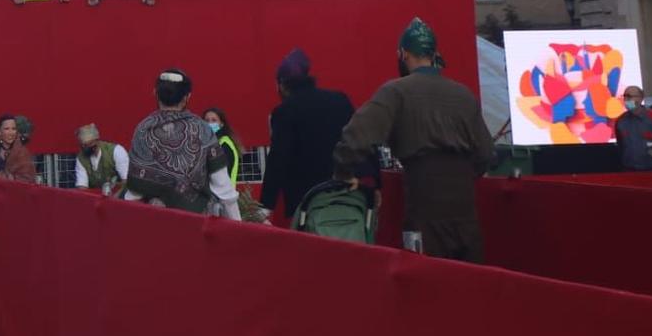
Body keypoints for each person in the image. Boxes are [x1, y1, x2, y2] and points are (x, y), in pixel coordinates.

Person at [333, 19, 496, 262]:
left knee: (424, 279)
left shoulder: (396, 92)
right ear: (434, 54)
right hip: (465, 209)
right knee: (467, 284)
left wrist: (344, 171)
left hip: (423, 203)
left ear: (404, 54)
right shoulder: (463, 94)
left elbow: (356, 136)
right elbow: (486, 154)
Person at [265, 49, 356, 222]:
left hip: (306, 203)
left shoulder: (284, 111)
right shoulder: (340, 100)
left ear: (282, 85)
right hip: (345, 195)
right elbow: (359, 138)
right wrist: (374, 183)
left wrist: (265, 205)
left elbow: (278, 158)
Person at [125, 70, 217, 213]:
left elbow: (135, 193)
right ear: (188, 97)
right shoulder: (203, 129)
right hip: (197, 221)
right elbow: (223, 188)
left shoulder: (143, 129)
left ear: (155, 93)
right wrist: (237, 226)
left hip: (156, 221)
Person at [202, 106, 251, 221]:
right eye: (207, 120)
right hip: (220, 200)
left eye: (214, 120)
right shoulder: (214, 142)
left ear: (222, 124)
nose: (210, 123)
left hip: (223, 201)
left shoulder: (223, 145)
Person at [613, 86, 652, 172]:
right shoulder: (620, 121)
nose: (626, 100)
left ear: (640, 98)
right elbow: (621, 148)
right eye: (625, 96)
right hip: (630, 172)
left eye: (629, 96)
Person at [72, 123, 128, 197]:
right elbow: (82, 187)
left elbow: (127, 181)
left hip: (120, 196)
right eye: (82, 145)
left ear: (96, 141)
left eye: (87, 145)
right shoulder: (81, 158)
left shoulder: (116, 151)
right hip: (96, 198)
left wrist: (116, 198)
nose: (84, 148)